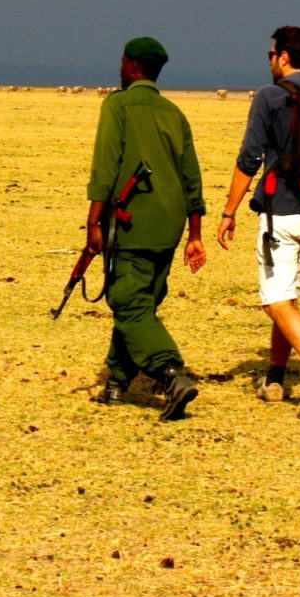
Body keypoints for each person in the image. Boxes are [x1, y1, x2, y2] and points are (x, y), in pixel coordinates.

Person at [216, 26, 300, 419]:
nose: (270, 59)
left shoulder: (270, 96)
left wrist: (228, 212)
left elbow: (249, 159)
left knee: (275, 302)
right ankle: (274, 379)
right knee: (287, 299)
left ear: (284, 56)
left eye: (271, 53)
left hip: (283, 216)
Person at [85, 37, 207, 420]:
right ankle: (116, 383)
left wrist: (93, 221)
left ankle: (170, 374)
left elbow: (106, 165)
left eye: (123, 62)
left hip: (132, 222)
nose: (120, 68)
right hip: (170, 224)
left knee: (128, 301)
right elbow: (192, 178)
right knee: (140, 301)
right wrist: (195, 234)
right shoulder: (174, 113)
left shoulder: (117, 105)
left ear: (133, 67)